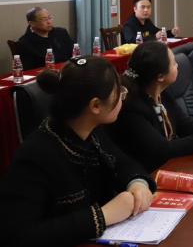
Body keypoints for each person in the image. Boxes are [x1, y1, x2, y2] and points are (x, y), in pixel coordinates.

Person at [0, 56, 156, 246]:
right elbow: (17, 236)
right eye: (118, 93)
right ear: (95, 105)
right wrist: (103, 216)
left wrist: (137, 183)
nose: (122, 97)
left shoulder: (91, 130)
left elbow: (123, 163)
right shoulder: (36, 154)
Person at [110, 42, 193, 172]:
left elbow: (186, 127)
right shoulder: (132, 107)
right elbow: (162, 149)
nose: (177, 65)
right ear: (160, 77)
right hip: (147, 173)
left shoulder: (162, 93)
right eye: (173, 63)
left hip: (168, 164)